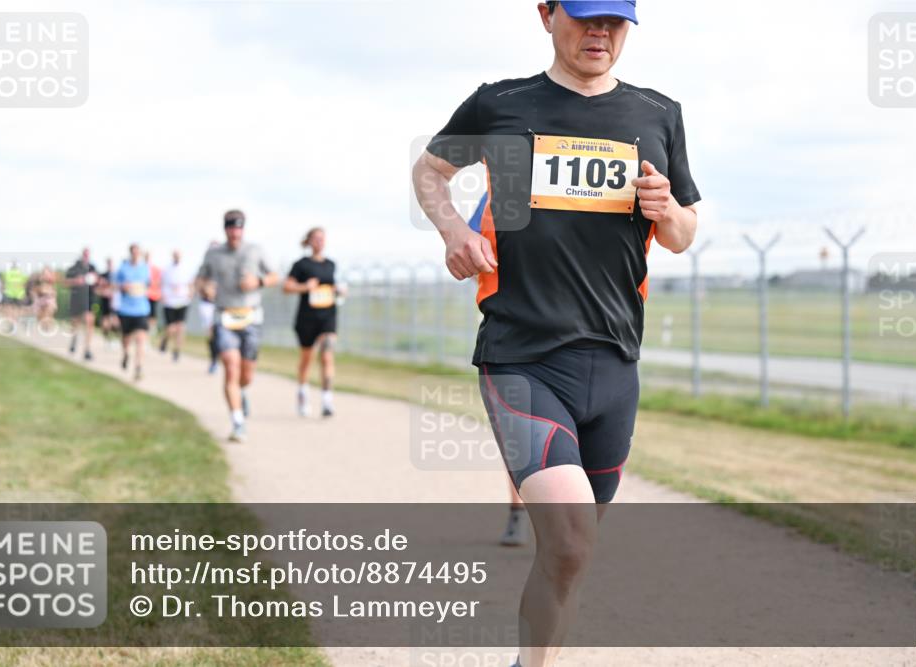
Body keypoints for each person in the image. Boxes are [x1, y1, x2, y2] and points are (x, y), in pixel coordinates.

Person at [411, 2, 700, 665]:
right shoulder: (501, 105)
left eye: (615, 20)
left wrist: (668, 212)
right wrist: (453, 230)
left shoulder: (658, 114)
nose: (600, 32)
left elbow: (683, 234)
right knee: (569, 541)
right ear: (547, 14)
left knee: (570, 554)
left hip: (615, 362)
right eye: (585, 15)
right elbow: (430, 172)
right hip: (522, 356)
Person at [196, 210, 279, 442]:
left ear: (243, 229)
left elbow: (275, 276)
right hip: (224, 316)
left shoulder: (255, 250)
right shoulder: (213, 254)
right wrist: (205, 288)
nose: (235, 233)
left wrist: (259, 281)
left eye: (239, 228)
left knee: (246, 374)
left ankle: (242, 391)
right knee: (230, 367)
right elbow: (200, 279)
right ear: (225, 229)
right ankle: (238, 422)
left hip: (250, 317)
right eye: (231, 228)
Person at [283, 227, 345, 418]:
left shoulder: (331, 265)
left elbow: (335, 285)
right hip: (307, 318)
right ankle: (302, 393)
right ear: (309, 241)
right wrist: (305, 286)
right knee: (307, 359)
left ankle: (327, 400)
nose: (319, 242)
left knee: (327, 355)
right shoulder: (301, 264)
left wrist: (339, 290)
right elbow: (287, 287)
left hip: (328, 316)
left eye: (322, 238)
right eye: (316, 238)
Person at [114, 244, 151, 381]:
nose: (136, 255)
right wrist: (123, 286)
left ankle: (138, 367)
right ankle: (125, 354)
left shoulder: (144, 268)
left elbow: (148, 284)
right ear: (130, 253)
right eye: (133, 252)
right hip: (126, 309)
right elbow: (115, 285)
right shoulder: (123, 268)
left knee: (141, 338)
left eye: (137, 252)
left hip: (141, 309)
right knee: (126, 338)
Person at [159, 250, 193, 361]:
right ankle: (164, 340)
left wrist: (190, 294)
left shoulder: (186, 268)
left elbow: (191, 283)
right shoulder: (167, 269)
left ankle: (177, 350)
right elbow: (161, 283)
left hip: (183, 301)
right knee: (171, 328)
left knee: (181, 327)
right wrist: (163, 295)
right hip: (170, 301)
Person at [64, 248, 98, 360]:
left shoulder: (92, 267)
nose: (86, 256)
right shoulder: (74, 268)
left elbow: (98, 281)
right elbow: (65, 282)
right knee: (75, 323)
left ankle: (87, 349)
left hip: (89, 299)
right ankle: (74, 340)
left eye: (88, 254)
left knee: (89, 323)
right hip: (77, 299)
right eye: (85, 254)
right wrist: (75, 281)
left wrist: (96, 279)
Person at [197, 241, 220, 375]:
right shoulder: (205, 267)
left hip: (222, 305)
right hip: (207, 305)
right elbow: (198, 284)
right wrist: (205, 289)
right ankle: (214, 360)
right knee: (212, 334)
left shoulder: (225, 264)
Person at [95, 258, 120, 346]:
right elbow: (96, 289)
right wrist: (103, 293)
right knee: (105, 322)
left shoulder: (117, 275)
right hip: (105, 302)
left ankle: (116, 338)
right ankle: (107, 339)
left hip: (115, 302)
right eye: (109, 263)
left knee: (115, 322)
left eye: (111, 263)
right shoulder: (102, 276)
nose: (110, 265)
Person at [145, 251, 163, 335]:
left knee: (153, 313)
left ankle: (152, 328)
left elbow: (159, 281)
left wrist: (152, 283)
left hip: (153, 295)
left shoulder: (155, 269)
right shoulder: (141, 268)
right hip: (144, 295)